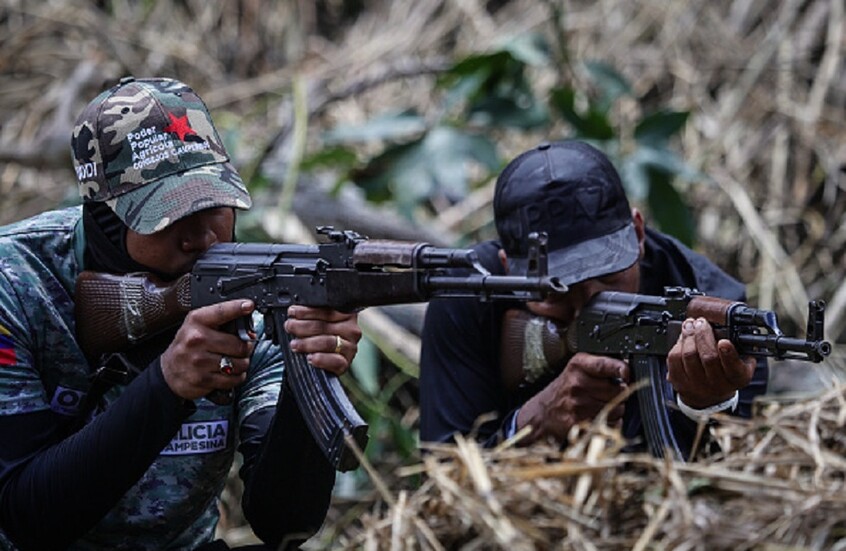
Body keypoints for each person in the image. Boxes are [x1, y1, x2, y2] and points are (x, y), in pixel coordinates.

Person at [0, 77, 361, 550]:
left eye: (215, 205)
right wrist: (167, 383)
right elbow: (23, 518)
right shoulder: (16, 283)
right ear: (107, 220)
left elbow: (285, 522)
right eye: (166, 216)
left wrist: (306, 373)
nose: (204, 238)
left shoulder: (259, 293)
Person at [419, 140, 768, 455]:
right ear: (510, 269)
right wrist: (534, 422)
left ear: (638, 233)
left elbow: (727, 480)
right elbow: (443, 471)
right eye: (556, 290)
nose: (588, 303)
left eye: (608, 275)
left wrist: (703, 405)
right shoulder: (468, 292)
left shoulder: (718, 314)